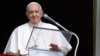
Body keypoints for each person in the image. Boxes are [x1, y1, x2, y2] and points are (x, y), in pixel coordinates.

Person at [3, 2, 72, 56]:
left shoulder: (52, 28)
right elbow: (9, 53)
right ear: (27, 15)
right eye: (31, 12)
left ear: (41, 13)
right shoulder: (18, 30)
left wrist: (59, 49)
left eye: (36, 11)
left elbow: (65, 50)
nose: (34, 14)